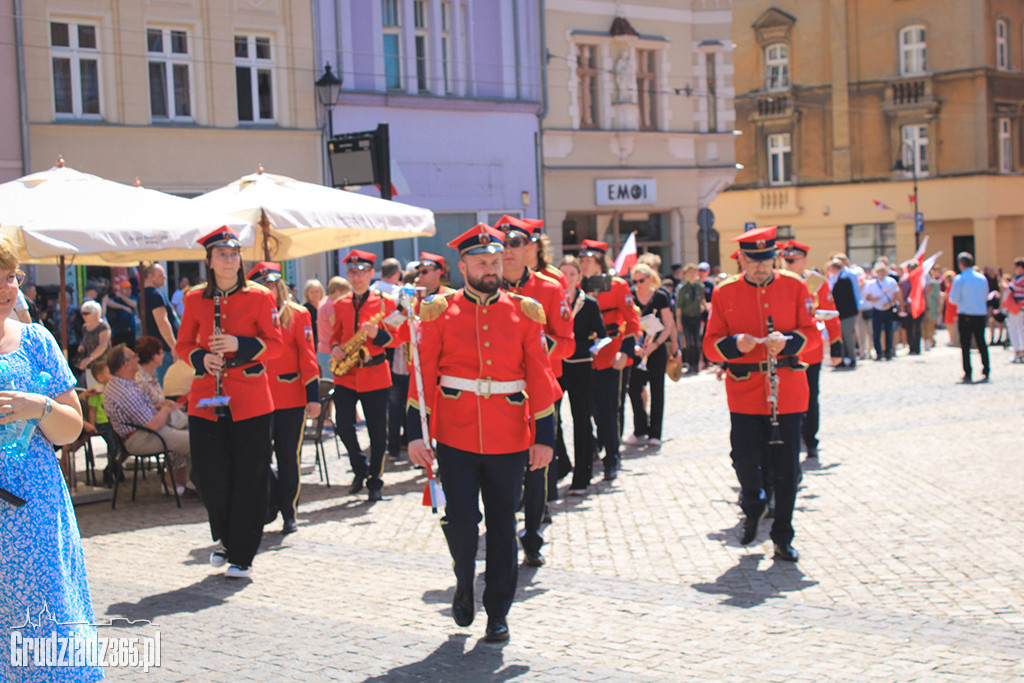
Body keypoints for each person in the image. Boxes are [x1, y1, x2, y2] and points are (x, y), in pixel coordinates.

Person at [407, 223, 557, 643]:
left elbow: (541, 379)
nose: (491, 269)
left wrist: (544, 437)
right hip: (454, 435)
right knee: (461, 522)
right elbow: (422, 377)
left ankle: (498, 612)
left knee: (503, 526)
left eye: (495, 261)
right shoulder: (439, 312)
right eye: (481, 262)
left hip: (509, 436)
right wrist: (416, 435)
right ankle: (462, 581)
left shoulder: (524, 311)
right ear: (463, 266)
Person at [0, 239, 103, 682]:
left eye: (10, 275)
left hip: (35, 507)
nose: (6, 286)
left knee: (45, 614)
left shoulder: (36, 340)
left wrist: (38, 406)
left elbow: (71, 428)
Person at [703, 226, 817, 563]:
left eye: (766, 260)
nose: (761, 267)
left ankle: (783, 536)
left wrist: (789, 341)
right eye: (753, 261)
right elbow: (711, 345)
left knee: (786, 469)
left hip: (788, 390)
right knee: (744, 459)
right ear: (742, 260)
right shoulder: (724, 293)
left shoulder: (795, 286)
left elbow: (811, 332)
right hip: (745, 391)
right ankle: (752, 507)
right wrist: (735, 345)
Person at [177, 226, 283, 579]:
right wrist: (200, 359)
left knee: (250, 477)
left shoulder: (260, 296)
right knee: (207, 475)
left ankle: (242, 553)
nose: (229, 259)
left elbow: (277, 344)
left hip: (251, 399)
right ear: (209, 261)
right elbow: (182, 344)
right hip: (205, 399)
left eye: (234, 253)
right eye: (221, 254)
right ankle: (224, 535)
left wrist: (239, 344)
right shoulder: (194, 298)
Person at [496, 216, 573, 568]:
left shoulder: (551, 287)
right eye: (503, 244)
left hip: (539, 393)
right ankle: (503, 530)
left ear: (530, 248)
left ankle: (532, 537)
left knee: (537, 466)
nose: (508, 251)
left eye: (516, 244)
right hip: (498, 393)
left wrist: (535, 350)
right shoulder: (488, 287)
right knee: (500, 465)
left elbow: (567, 342)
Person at [245, 262, 321, 534]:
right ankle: (269, 504)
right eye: (262, 285)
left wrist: (313, 396)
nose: (269, 289)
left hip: (290, 397)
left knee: (288, 456)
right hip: (257, 397)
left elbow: (308, 355)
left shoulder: (298, 315)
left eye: (272, 284)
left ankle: (289, 511)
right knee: (258, 457)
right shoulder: (248, 317)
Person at [329, 250, 397, 502]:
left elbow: (397, 338)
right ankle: (359, 468)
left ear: (371, 273)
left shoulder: (385, 303)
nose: (357, 278)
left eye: (362, 272)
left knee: (378, 432)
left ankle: (375, 481)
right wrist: (335, 346)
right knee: (344, 425)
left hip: (375, 373)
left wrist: (376, 335)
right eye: (352, 273)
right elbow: (335, 335)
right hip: (346, 374)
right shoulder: (340, 303)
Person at [578, 239, 639, 481]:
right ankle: (593, 447)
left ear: (600, 261)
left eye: (588, 260)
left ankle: (611, 457)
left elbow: (632, 322)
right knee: (587, 409)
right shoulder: (577, 286)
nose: (584, 264)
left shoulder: (617, 286)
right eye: (581, 260)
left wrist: (625, 352)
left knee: (608, 411)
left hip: (610, 354)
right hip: (583, 357)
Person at [104, 343, 193, 496]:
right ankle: (195, 484)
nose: (137, 359)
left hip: (143, 433)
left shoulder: (121, 384)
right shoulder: (125, 391)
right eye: (134, 357)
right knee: (197, 442)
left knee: (192, 435)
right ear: (126, 364)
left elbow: (145, 413)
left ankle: (185, 482)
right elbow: (153, 425)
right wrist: (165, 409)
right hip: (143, 436)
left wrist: (161, 406)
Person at [780, 241, 842, 460]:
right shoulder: (777, 281)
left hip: (809, 349)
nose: (787, 264)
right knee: (785, 396)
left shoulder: (815, 282)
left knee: (810, 395)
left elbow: (830, 311)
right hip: (784, 350)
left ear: (803, 261)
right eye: (785, 260)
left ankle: (810, 439)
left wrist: (836, 344)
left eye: (792, 260)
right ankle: (791, 437)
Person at [558, 255, 607, 495]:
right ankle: (561, 463)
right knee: (551, 420)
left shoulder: (588, 303)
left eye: (572, 274)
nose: (567, 279)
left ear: (579, 277)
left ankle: (582, 476)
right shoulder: (551, 300)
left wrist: (594, 350)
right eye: (563, 274)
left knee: (581, 420)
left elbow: (602, 335)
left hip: (581, 365)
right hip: (556, 365)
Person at [625, 262, 679, 447]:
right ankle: (640, 427)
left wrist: (656, 344)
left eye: (641, 280)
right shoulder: (630, 297)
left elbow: (668, 324)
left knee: (657, 391)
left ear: (650, 279)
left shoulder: (661, 296)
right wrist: (636, 346)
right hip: (638, 350)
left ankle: (655, 432)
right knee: (633, 389)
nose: (637, 284)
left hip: (656, 349)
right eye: (634, 280)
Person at [948, 252, 990, 383]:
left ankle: (968, 372)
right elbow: (986, 295)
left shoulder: (960, 278)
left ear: (961, 264)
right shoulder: (982, 278)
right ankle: (986, 368)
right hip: (980, 313)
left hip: (965, 314)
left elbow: (953, 299)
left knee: (965, 345)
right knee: (981, 342)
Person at [134, 335, 188, 429]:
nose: (163, 355)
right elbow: (143, 408)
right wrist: (167, 407)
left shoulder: (151, 375)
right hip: (158, 425)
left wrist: (170, 404)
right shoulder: (141, 380)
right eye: (161, 352)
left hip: (164, 421)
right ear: (155, 357)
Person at [143, 263, 180, 383]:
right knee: (168, 385)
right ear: (150, 276)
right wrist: (174, 346)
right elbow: (162, 322)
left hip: (158, 348)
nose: (165, 277)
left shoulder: (143, 295)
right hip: (165, 350)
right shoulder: (155, 294)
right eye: (160, 275)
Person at [862, 262, 902, 361]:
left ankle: (888, 351)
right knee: (876, 332)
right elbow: (866, 297)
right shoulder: (871, 283)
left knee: (889, 331)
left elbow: (896, 294)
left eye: (883, 270)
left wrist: (890, 303)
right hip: (876, 309)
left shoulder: (891, 281)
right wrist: (873, 299)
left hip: (888, 309)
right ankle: (878, 352)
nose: (881, 273)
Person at [827, 257, 860, 369]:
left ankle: (852, 358)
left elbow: (851, 295)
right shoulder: (835, 278)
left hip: (847, 312)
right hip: (841, 312)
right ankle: (844, 358)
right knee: (842, 336)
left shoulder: (845, 279)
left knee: (847, 336)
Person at [316, 276, 350, 378]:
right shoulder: (331, 305)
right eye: (345, 293)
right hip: (330, 352)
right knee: (331, 387)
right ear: (337, 292)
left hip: (323, 350)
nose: (346, 297)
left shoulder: (324, 301)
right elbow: (336, 327)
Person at [675, 263, 706, 375]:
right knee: (688, 342)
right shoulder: (683, 288)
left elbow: (702, 300)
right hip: (686, 317)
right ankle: (690, 364)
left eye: (694, 272)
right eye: (690, 272)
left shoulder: (700, 286)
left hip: (697, 317)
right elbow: (679, 306)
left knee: (697, 342)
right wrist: (678, 321)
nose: (693, 274)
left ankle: (697, 365)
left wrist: (705, 307)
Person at [76, 300, 112, 388]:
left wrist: (89, 358)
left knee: (104, 390)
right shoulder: (85, 327)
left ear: (95, 313)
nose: (83, 316)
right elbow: (85, 341)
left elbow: (103, 345)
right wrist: (82, 346)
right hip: (90, 366)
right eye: (82, 313)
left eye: (86, 313)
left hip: (102, 365)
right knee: (93, 390)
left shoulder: (103, 326)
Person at [105, 278, 138, 347]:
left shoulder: (132, 298)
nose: (129, 290)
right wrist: (124, 307)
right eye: (126, 289)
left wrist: (122, 296)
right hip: (118, 331)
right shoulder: (116, 299)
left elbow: (134, 304)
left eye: (130, 288)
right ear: (121, 289)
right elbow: (108, 302)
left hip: (130, 330)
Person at [1003, 258, 1024, 363]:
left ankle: (1018, 351)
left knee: (1015, 329)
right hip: (1020, 307)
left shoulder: (1020, 279)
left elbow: (1010, 287)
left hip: (1017, 307)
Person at [302, 279, 326, 348]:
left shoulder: (325, 306)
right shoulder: (305, 309)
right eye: (312, 292)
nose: (315, 294)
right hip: (311, 343)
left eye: (317, 291)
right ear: (307, 294)